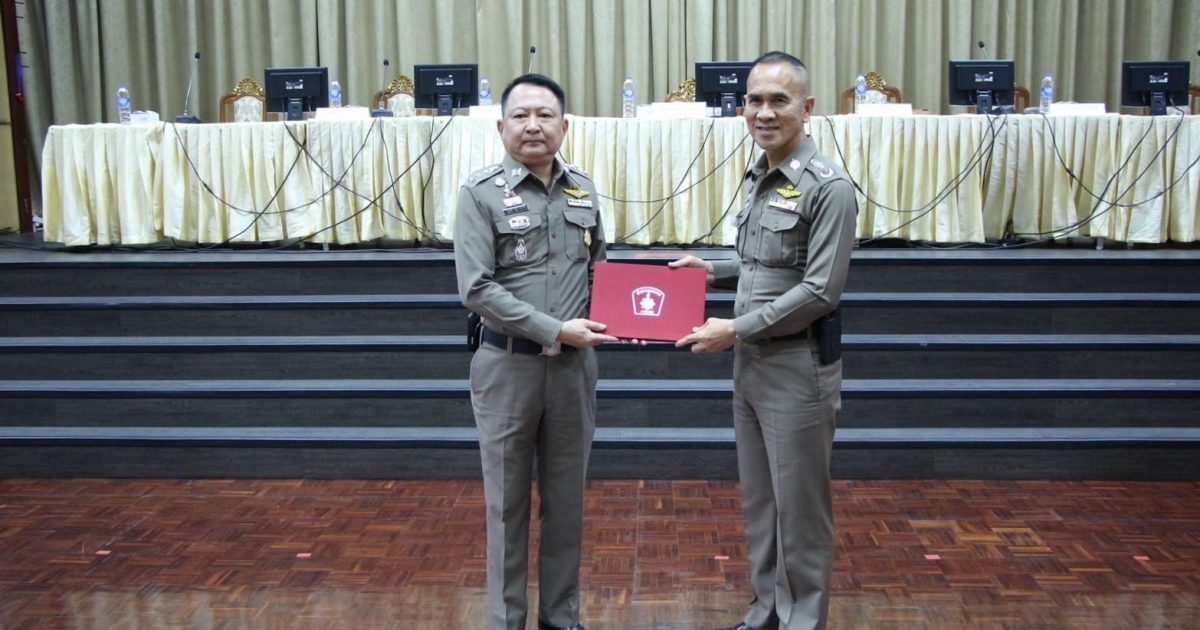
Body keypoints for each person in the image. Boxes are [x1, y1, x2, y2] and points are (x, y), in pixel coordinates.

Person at [671, 51, 858, 630]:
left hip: (797, 366)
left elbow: (819, 290)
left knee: (799, 510)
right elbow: (763, 264)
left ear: (807, 107)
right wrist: (712, 271)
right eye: (754, 100)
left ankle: (801, 620)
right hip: (752, 363)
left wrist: (735, 329)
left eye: (779, 100)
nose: (764, 112)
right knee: (761, 503)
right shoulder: (760, 176)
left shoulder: (829, 188)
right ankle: (766, 614)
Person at [454, 73, 615, 630]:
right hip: (507, 367)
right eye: (521, 115)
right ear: (501, 126)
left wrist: (631, 313)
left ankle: (561, 618)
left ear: (564, 126)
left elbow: (599, 273)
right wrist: (553, 328)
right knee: (506, 506)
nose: (533, 126)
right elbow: (476, 288)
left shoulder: (583, 190)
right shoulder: (479, 193)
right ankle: (506, 620)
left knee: (566, 503)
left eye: (544, 115)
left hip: (573, 371)